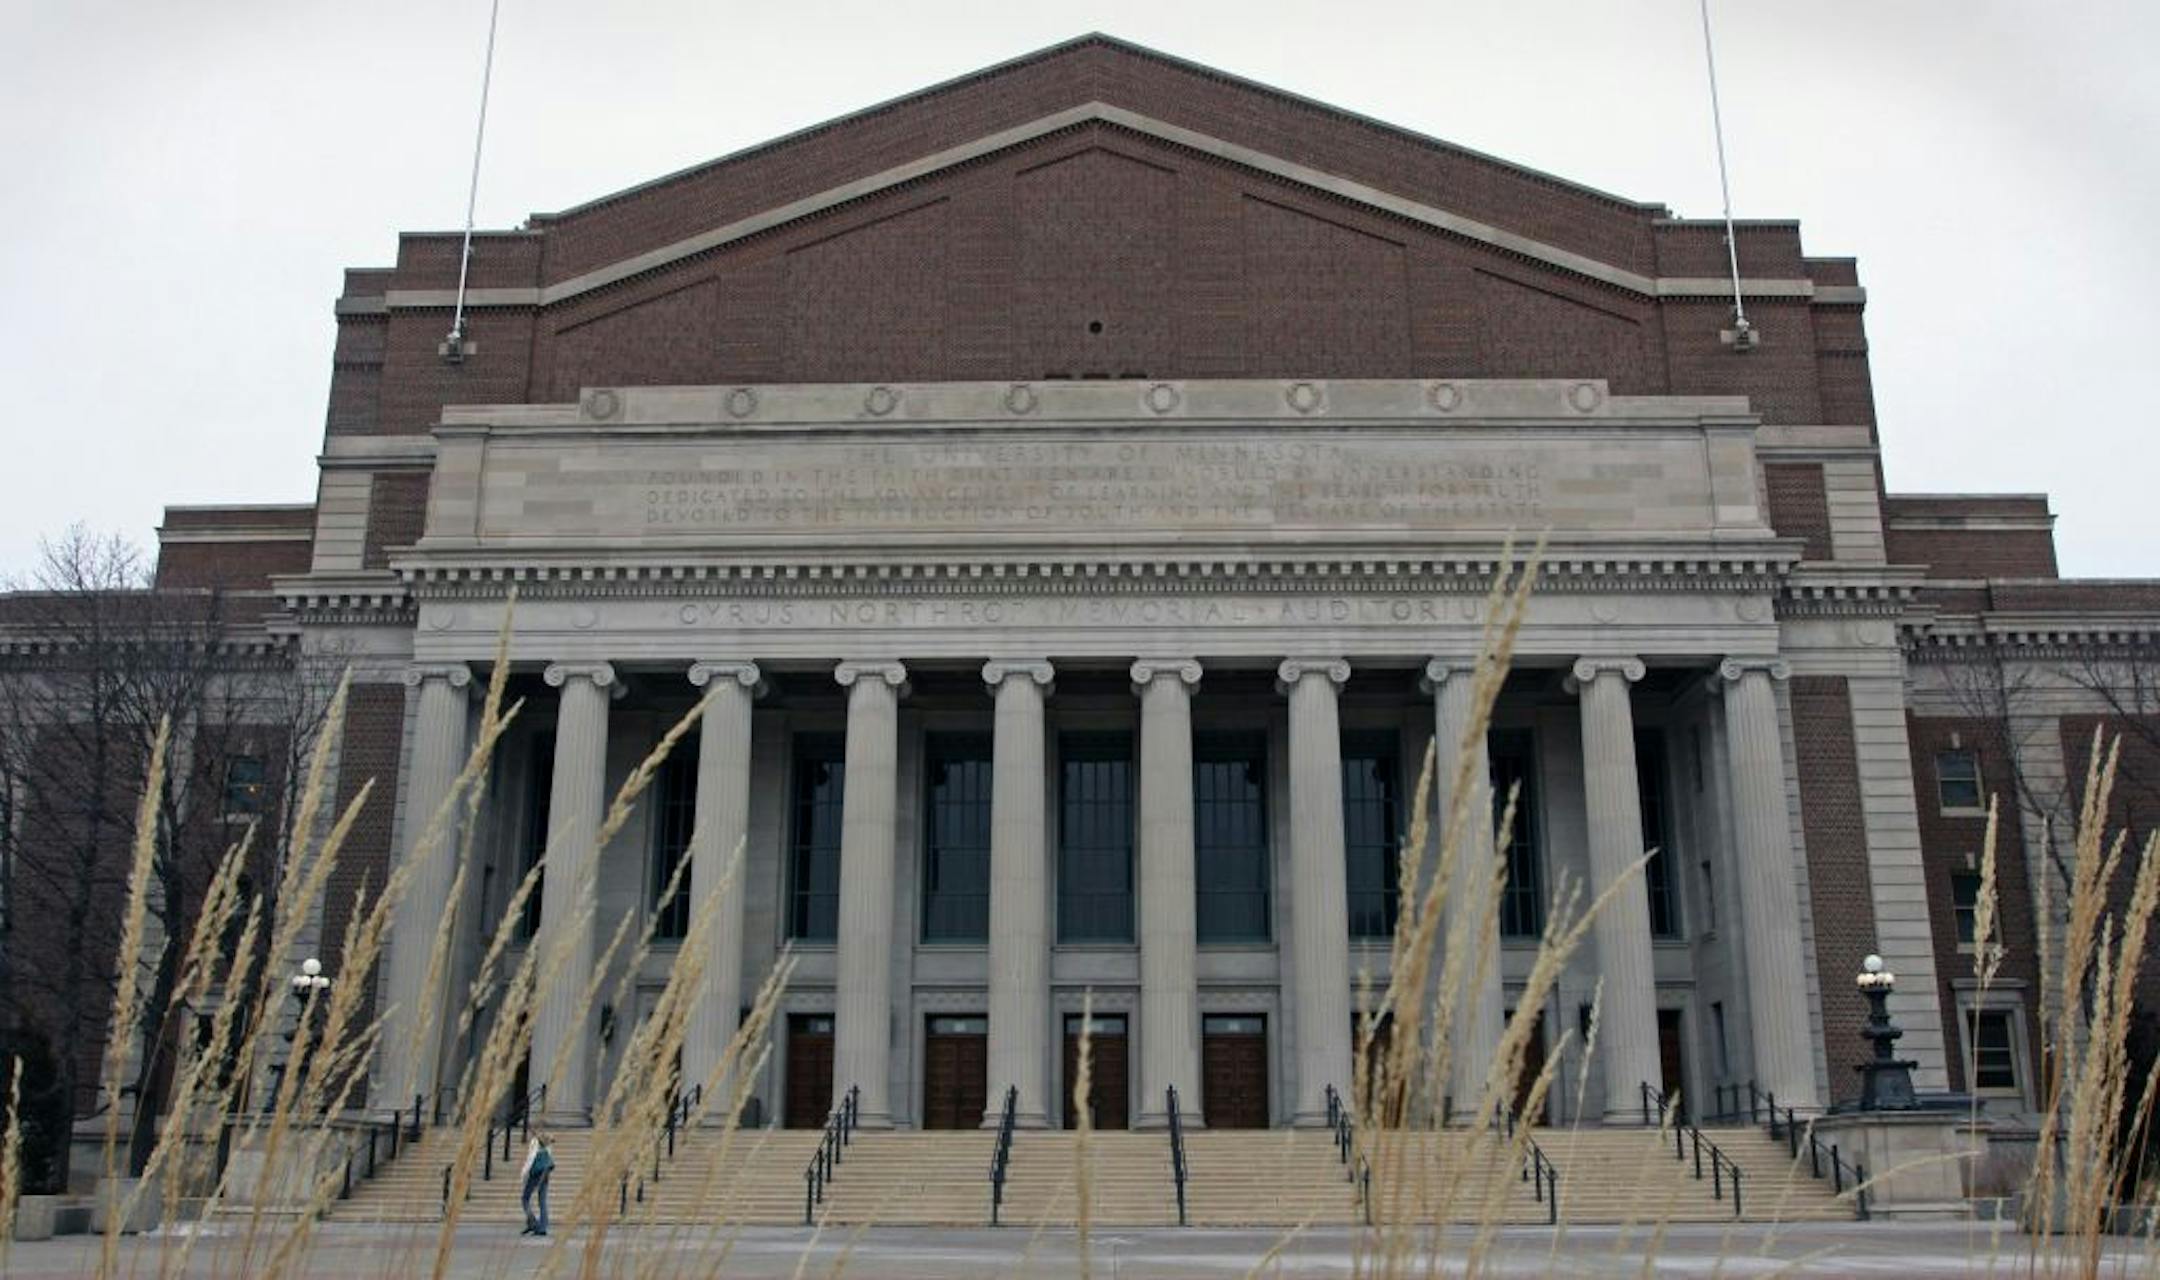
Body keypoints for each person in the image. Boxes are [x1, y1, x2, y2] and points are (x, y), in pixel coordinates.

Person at [520, 1130, 555, 1237]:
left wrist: (523, 1173)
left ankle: (532, 1222)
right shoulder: (547, 1142)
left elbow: (531, 1158)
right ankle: (543, 1226)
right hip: (545, 1173)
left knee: (525, 1198)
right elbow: (548, 1157)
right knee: (542, 1200)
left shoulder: (535, 1141)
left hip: (535, 1173)